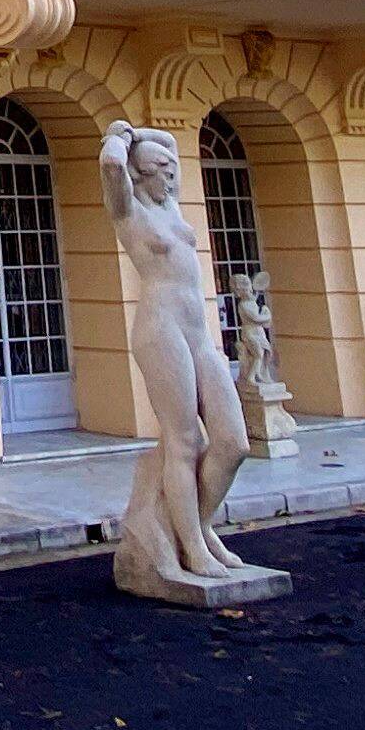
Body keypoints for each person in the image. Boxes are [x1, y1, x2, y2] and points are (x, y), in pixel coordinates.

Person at [101, 121, 249, 587]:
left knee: (232, 443)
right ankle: (191, 547)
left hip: (198, 331)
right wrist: (120, 135)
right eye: (159, 170)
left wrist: (147, 135)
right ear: (140, 174)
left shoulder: (172, 205)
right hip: (160, 328)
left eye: (169, 170)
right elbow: (109, 162)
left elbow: (172, 143)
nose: (170, 175)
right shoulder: (128, 212)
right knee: (185, 442)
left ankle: (201, 526)